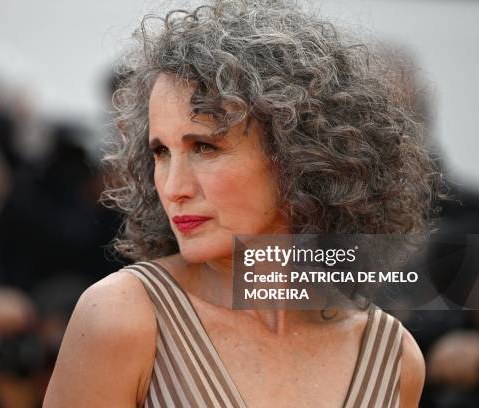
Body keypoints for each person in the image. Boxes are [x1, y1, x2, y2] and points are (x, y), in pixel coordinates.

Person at [44, 1, 440, 406]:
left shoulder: (391, 356)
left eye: (204, 147)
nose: (173, 186)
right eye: (160, 152)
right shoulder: (122, 317)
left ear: (298, 154)